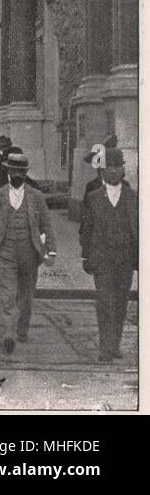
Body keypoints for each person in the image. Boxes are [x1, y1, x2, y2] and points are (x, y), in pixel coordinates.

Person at [0, 152, 56, 355]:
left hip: (29, 252)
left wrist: (51, 250)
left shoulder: (36, 197)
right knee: (7, 294)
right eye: (13, 170)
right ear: (8, 171)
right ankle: (8, 334)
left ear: (25, 173)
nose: (17, 174)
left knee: (25, 295)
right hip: (5, 251)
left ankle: (22, 329)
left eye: (21, 171)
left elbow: (46, 225)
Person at [79, 147, 137, 363]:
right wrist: (86, 255)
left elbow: (139, 228)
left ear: (122, 170)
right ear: (102, 171)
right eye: (108, 168)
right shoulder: (93, 197)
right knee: (104, 300)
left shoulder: (133, 197)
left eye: (116, 168)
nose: (113, 172)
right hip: (102, 258)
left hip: (125, 258)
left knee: (121, 301)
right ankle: (105, 347)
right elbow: (85, 229)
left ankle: (114, 344)